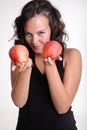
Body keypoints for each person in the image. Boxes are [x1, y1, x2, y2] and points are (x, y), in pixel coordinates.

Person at [10, 0, 82, 129]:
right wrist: (25, 71)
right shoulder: (21, 55)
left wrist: (50, 66)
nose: (34, 41)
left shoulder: (72, 56)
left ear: (52, 28)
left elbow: (62, 107)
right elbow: (19, 102)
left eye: (41, 33)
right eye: (28, 34)